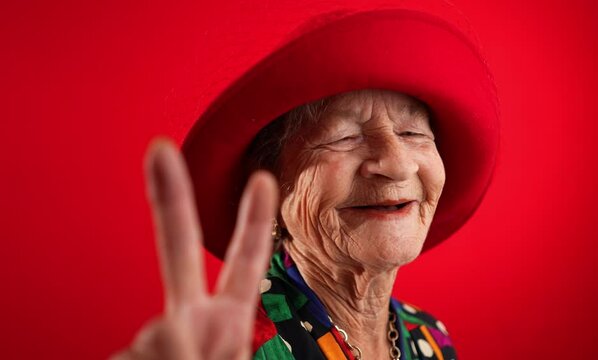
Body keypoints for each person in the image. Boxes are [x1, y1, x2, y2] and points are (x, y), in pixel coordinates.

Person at [113, 5, 499, 360]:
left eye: (414, 133)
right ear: (269, 185)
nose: (397, 165)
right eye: (345, 136)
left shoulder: (429, 339)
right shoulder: (241, 348)